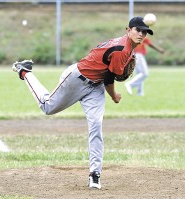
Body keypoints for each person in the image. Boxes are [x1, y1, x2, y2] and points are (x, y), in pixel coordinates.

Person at [12, 16, 153, 189]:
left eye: (144, 31)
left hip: (95, 87)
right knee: (47, 107)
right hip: (77, 79)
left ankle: (95, 174)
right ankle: (24, 71)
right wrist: (114, 96)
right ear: (128, 30)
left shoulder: (129, 48)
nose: (141, 34)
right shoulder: (122, 48)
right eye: (138, 30)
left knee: (95, 125)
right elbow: (109, 79)